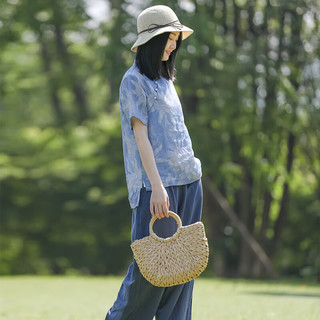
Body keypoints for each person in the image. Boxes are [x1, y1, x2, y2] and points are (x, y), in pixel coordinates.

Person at [105, 5, 202, 320]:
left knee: (181, 273)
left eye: (176, 38)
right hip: (156, 187)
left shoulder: (166, 79)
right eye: (168, 38)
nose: (173, 45)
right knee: (149, 273)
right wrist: (158, 187)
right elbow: (141, 137)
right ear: (151, 40)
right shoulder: (133, 81)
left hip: (189, 180)